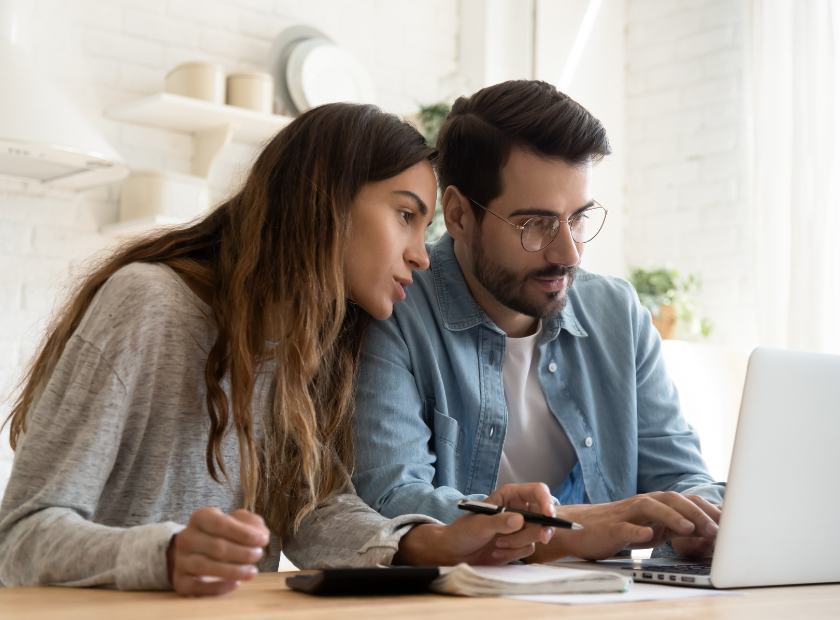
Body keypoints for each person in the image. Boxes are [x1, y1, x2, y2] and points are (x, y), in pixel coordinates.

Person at [0, 103, 555, 596]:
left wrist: (429, 542)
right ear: (326, 201)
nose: (422, 256)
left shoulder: (315, 344)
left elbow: (311, 511)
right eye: (405, 215)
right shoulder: (149, 303)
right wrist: (164, 555)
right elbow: (21, 537)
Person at [353, 81, 726, 563]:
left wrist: (701, 521)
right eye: (536, 224)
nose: (568, 253)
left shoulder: (617, 314)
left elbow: (680, 474)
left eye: (578, 219)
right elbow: (392, 500)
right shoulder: (393, 310)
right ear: (460, 215)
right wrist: (566, 530)